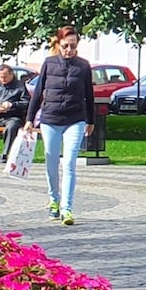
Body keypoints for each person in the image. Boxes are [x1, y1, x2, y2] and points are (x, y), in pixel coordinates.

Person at [23, 26, 95, 225]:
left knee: (69, 163)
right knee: (51, 163)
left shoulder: (83, 66)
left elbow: (90, 95)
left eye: (73, 46)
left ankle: (67, 209)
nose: (69, 50)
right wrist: (29, 119)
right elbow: (37, 93)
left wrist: (91, 120)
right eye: (65, 46)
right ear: (58, 44)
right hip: (51, 119)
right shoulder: (48, 63)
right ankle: (54, 200)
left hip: (76, 119)